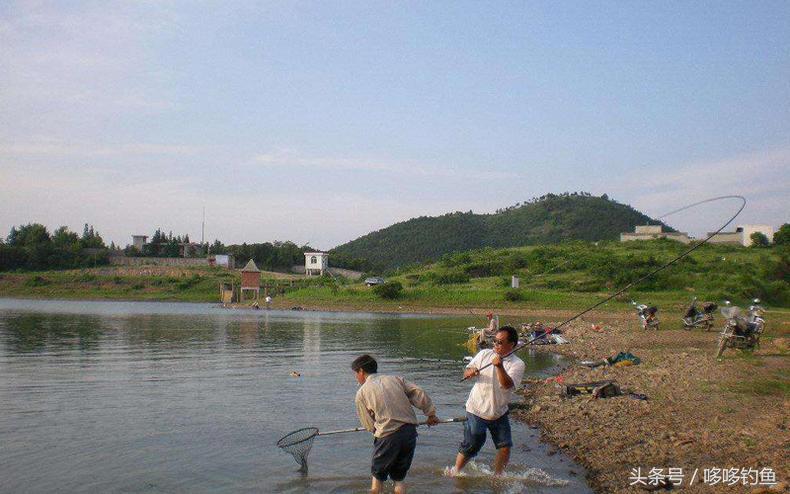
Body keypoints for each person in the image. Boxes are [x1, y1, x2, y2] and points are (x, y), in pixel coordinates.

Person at [352, 355, 440, 494]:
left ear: (361, 371)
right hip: (409, 433)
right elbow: (418, 393)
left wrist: (377, 429)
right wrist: (431, 414)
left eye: (355, 373)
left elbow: (369, 425)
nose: (356, 377)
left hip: (388, 436)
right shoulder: (395, 379)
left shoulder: (361, 393)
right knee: (399, 478)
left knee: (377, 478)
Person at [454, 326, 525, 476]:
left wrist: (499, 366)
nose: (495, 345)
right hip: (476, 408)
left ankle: (497, 476)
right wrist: (470, 373)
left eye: (500, 342)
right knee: (473, 443)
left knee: (505, 446)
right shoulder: (484, 354)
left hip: (499, 412)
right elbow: (466, 371)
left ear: (511, 345)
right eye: (494, 341)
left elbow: (507, 385)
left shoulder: (517, 364)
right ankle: (456, 472)